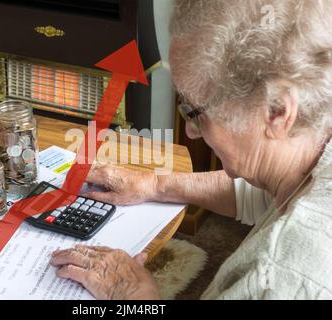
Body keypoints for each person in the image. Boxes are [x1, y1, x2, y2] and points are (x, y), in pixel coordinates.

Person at [50, 0, 332, 299]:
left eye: (197, 113)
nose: (190, 131)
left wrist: (136, 295)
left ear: (277, 112)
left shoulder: (282, 280)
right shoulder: (308, 148)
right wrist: (155, 184)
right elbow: (260, 193)